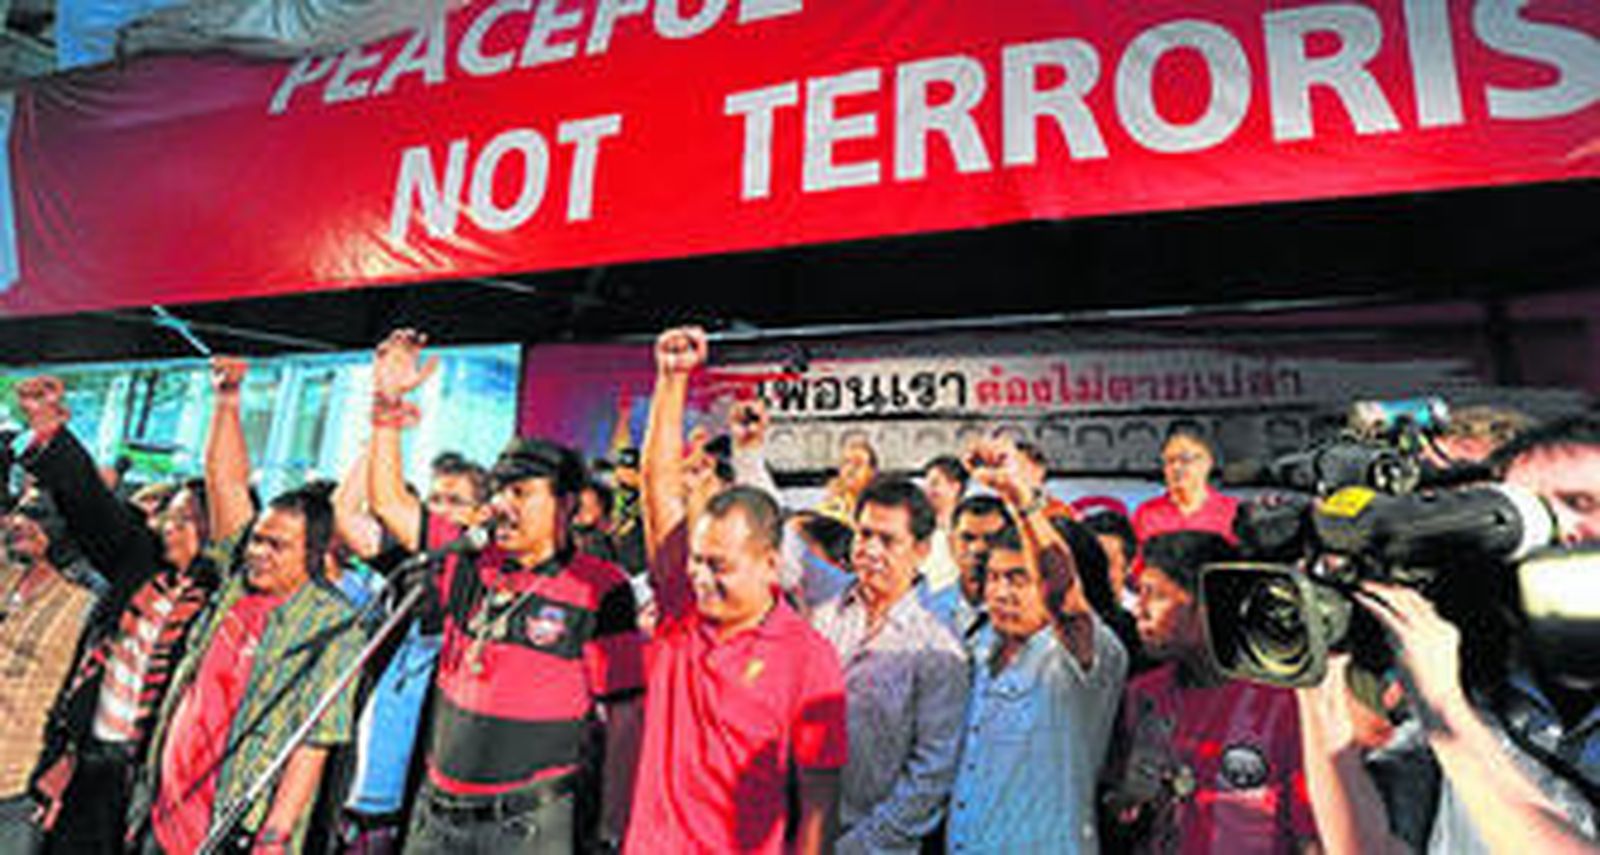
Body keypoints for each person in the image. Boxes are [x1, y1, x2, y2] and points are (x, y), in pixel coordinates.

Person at [365, 329, 647, 854]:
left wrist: (613, 828)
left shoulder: (600, 586)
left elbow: (627, 717)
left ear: (566, 504)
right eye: (499, 491)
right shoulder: (471, 560)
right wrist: (388, 402)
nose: (502, 504)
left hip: (531, 825)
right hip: (436, 816)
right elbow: (388, 502)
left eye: (521, 492)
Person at [1298, 413, 1600, 855]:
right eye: (1525, 510)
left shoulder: (1452, 699)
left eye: (1584, 503)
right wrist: (1319, 674)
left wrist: (1447, 711)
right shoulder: (1484, 675)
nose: (1560, 530)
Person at [131, 356, 365, 854]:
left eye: (275, 545)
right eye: (257, 539)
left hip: (234, 826)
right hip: (163, 808)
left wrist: (276, 834)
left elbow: (314, 739)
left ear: (315, 553)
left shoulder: (332, 623)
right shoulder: (238, 583)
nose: (257, 552)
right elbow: (225, 484)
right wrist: (228, 399)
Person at [628, 326, 847, 854]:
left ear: (770, 564)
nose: (699, 577)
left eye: (718, 566)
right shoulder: (682, 611)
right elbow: (658, 490)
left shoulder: (807, 656)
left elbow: (820, 799)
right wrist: (672, 378)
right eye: (697, 561)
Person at [13, 372, 221, 855]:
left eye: (186, 518)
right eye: (169, 514)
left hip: (152, 774)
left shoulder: (221, 600)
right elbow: (90, 504)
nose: (171, 526)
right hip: (88, 761)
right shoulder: (139, 562)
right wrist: (49, 431)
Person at [947, 436, 1127, 853]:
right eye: (994, 578)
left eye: (1018, 579)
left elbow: (1062, 597)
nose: (1001, 593)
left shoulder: (1081, 656)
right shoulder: (976, 645)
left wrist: (1021, 500)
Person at [1105, 531, 1317, 854]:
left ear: (1206, 606)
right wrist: (1129, 801)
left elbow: (1312, 839)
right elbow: (1123, 816)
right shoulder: (1142, 696)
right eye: (1139, 594)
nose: (1140, 610)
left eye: (1156, 595)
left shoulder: (1283, 705)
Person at [810, 476, 969, 853]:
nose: (870, 551)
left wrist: (858, 846)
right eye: (864, 535)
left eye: (888, 540)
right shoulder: (823, 610)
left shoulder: (939, 647)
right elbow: (782, 545)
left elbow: (932, 774)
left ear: (922, 550)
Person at [0, 494, 98, 855]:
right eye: (18, 511)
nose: (19, 522)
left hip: (16, 785)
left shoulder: (85, 603)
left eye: (36, 514)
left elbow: (88, 696)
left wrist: (65, 766)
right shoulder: (5, 576)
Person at [921, 495, 1011, 645]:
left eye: (991, 539)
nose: (978, 549)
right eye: (967, 538)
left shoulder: (1027, 616)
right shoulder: (926, 611)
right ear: (951, 544)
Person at [1133, 430, 1238, 545]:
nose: (1176, 467)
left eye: (1185, 460)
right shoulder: (1146, 513)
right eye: (1170, 461)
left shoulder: (1232, 511)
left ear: (1207, 463)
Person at [920, 455, 969, 594]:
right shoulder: (920, 527)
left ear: (955, 487)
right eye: (926, 484)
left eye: (935, 483)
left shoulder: (967, 529)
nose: (927, 490)